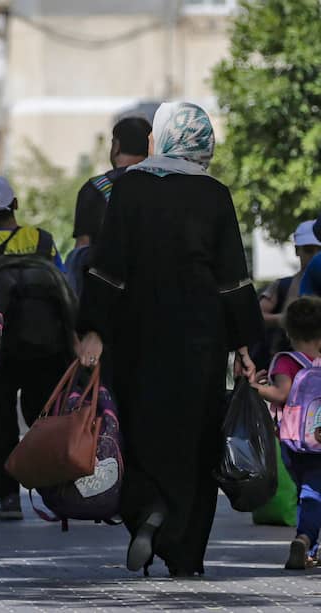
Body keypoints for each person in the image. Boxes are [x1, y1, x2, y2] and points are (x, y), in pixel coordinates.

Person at [77, 102, 262, 577]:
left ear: (162, 136)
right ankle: (185, 552)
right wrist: (247, 345)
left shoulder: (132, 187)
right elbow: (233, 279)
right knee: (196, 439)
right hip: (201, 338)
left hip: (137, 335)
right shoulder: (214, 194)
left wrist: (92, 328)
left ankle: (147, 511)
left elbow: (108, 265)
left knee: (137, 428)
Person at [0, 176, 71, 520]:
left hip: (4, 349)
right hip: (50, 348)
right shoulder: (44, 240)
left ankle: (7, 497)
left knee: (2, 420)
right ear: (16, 205)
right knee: (47, 419)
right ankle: (56, 492)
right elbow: (64, 287)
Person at [251, 297, 321, 570]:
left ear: (289, 332)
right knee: (313, 492)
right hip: (318, 441)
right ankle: (304, 539)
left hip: (292, 444)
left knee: (308, 491)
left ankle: (308, 546)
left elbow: (280, 394)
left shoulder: (285, 362)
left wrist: (255, 387)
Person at [65, 117, 151, 297]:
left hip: (107, 292)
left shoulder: (95, 188)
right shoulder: (164, 184)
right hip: (155, 289)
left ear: (116, 146)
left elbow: (83, 246)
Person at [253, 221, 321, 370]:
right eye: (309, 250)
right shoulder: (282, 285)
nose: (315, 255)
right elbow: (256, 315)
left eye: (320, 250)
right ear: (297, 250)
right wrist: (283, 320)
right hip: (285, 367)